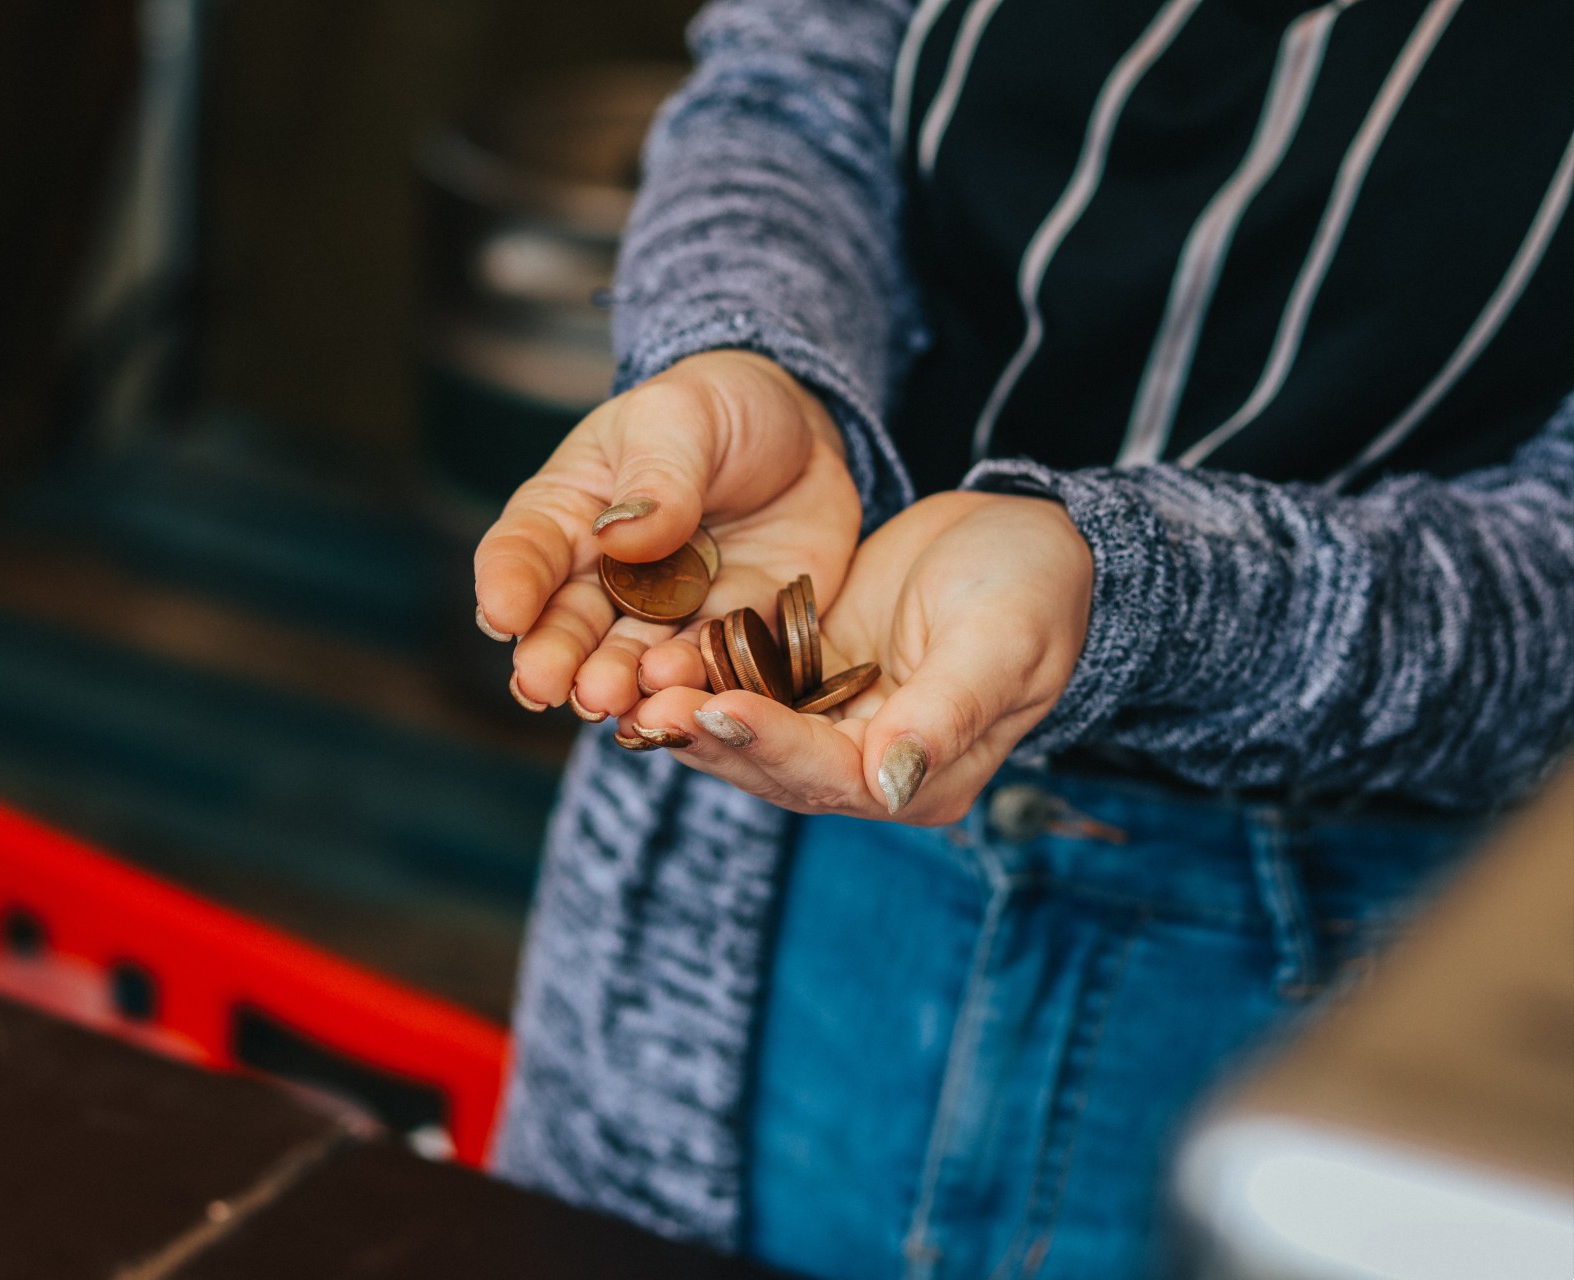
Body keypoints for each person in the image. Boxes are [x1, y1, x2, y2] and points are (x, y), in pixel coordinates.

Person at [471, 1, 1574, 1276]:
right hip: (762, 837)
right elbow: (796, 90)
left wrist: (1123, 593)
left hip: (1354, 988)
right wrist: (749, 352)